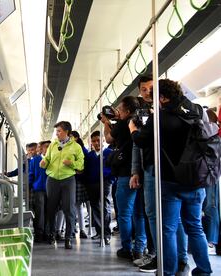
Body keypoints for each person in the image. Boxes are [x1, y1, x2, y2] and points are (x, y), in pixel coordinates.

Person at [130, 79, 212, 276]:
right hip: (196, 179)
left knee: (167, 229)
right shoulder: (198, 110)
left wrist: (133, 128)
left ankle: (169, 271)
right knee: (194, 227)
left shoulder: (160, 117)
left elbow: (141, 140)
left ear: (163, 97)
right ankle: (204, 270)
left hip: (170, 179)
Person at [101, 96, 147, 261]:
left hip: (125, 174)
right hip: (141, 172)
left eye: (120, 110)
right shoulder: (141, 122)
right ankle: (140, 248)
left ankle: (127, 248)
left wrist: (106, 122)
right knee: (140, 213)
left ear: (127, 111)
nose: (118, 113)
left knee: (125, 214)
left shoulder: (121, 125)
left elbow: (108, 139)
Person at [40, 121, 84, 249]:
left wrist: (71, 164)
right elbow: (47, 159)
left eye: (59, 131)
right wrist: (43, 162)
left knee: (69, 209)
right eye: (56, 131)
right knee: (51, 209)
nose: (57, 133)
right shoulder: (53, 145)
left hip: (68, 179)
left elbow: (81, 165)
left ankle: (68, 238)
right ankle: (52, 234)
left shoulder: (76, 147)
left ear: (67, 132)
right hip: (52, 179)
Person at [84, 131, 113, 245]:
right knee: (95, 208)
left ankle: (106, 233)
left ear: (103, 140)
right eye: (94, 141)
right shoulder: (89, 156)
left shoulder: (109, 153)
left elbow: (113, 169)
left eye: (98, 140)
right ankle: (99, 232)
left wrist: (110, 180)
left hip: (105, 183)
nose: (96, 143)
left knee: (105, 207)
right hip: (92, 184)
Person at [203, 109, 220, 255]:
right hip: (207, 176)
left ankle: (211, 240)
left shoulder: (214, 139)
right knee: (209, 206)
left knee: (210, 206)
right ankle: (209, 239)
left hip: (210, 176)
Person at [29, 140, 51, 242]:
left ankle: (48, 233)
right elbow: (31, 175)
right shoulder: (35, 160)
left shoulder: (53, 159)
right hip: (39, 189)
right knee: (40, 212)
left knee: (49, 211)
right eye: (46, 147)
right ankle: (39, 234)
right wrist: (30, 187)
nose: (48, 149)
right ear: (41, 149)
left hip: (51, 189)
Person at [70, 130, 89, 239]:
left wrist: (78, 171)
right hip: (73, 179)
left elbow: (84, 166)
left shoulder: (82, 150)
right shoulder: (70, 148)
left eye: (71, 137)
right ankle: (75, 228)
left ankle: (81, 229)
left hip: (78, 180)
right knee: (73, 206)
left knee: (77, 206)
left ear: (76, 138)